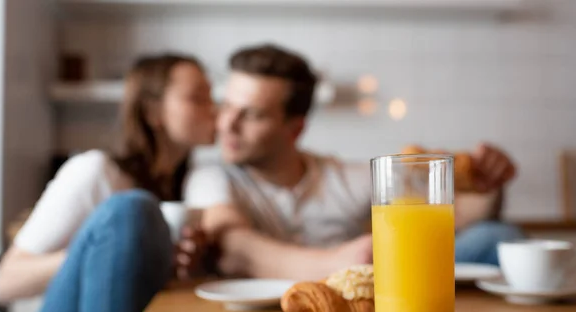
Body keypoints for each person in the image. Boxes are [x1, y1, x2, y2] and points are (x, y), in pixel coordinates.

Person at [184, 44, 522, 280]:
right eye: (226, 106)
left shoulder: (344, 177)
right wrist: (343, 263)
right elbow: (234, 248)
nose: (227, 124)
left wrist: (487, 182)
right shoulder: (212, 177)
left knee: (496, 236)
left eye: (252, 115)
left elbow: (459, 215)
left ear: (295, 127)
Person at [0, 53, 215, 312]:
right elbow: (4, 282)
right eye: (197, 97)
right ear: (152, 112)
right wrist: (99, 252)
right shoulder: (95, 171)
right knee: (128, 211)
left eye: (211, 95)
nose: (213, 107)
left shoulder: (189, 189)